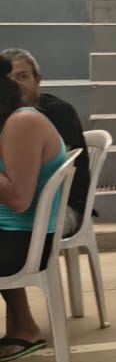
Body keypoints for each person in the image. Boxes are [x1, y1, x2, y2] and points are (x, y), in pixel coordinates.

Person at [0, 54, 70, 361]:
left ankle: (25, 327)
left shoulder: (23, 122)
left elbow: (18, 199)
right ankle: (24, 326)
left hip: (23, 242)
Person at [1, 48, 90, 236]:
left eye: (22, 76)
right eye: (8, 80)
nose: (15, 84)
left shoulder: (55, 112)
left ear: (38, 79)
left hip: (63, 206)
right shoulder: (11, 117)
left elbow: (44, 180)